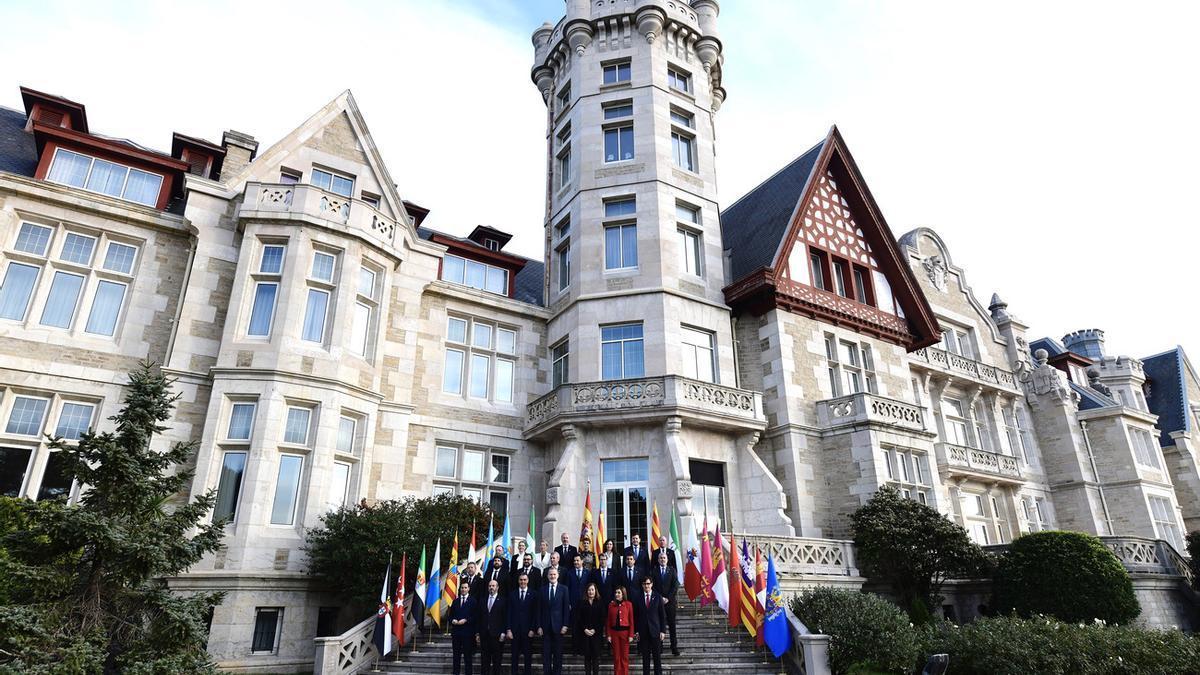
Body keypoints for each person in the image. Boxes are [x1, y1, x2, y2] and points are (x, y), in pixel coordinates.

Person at [538, 567, 571, 675]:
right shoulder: (542, 589)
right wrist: (539, 626)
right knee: (546, 655)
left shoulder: (564, 589)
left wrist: (565, 625)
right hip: (545, 627)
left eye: (554, 574)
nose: (552, 576)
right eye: (550, 575)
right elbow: (539, 609)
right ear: (547, 576)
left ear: (558, 576)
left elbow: (566, 608)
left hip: (559, 627)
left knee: (558, 655)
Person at [632, 576, 667, 675]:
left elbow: (662, 615)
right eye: (644, 584)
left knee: (657, 659)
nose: (646, 586)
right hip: (643, 633)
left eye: (648, 583)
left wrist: (663, 631)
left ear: (651, 584)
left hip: (655, 632)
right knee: (645, 660)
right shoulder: (638, 598)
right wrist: (636, 631)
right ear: (642, 585)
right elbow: (636, 616)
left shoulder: (658, 597)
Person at [650, 550, 680, 656]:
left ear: (667, 560)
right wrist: (660, 598)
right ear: (658, 560)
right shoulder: (654, 571)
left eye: (664, 558)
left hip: (670, 603)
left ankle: (674, 648)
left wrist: (668, 598)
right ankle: (660, 647)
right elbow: (652, 586)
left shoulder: (672, 570)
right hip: (658, 603)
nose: (662, 560)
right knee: (659, 626)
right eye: (660, 558)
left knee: (672, 626)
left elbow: (675, 585)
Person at [507, 572, 537, 675]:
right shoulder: (512, 594)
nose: (522, 582)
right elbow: (509, 613)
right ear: (518, 581)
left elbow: (535, 613)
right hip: (514, 631)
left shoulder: (533, 594)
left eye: (524, 580)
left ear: (528, 581)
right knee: (514, 656)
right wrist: (509, 629)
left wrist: (533, 629)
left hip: (528, 631)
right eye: (521, 580)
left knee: (527, 657)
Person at [574, 582, 606, 675]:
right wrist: (585, 629)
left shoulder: (600, 602)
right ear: (586, 591)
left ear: (595, 591)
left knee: (595, 658)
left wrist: (595, 629)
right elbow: (578, 618)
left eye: (592, 590)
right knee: (587, 658)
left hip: (596, 635)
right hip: (585, 634)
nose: (591, 592)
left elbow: (602, 618)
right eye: (589, 590)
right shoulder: (581, 602)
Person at [480, 579, 508, 675]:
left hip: (497, 636)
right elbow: (479, 617)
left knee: (497, 661)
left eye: (493, 586)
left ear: (497, 587)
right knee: (484, 661)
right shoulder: (483, 600)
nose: (491, 587)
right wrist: (477, 633)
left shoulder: (503, 600)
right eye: (490, 586)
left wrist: (504, 632)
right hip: (485, 635)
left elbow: (505, 618)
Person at [451, 583, 478, 675]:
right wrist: (453, 620)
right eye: (462, 588)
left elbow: (475, 616)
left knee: (467, 657)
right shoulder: (455, 601)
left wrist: (466, 620)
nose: (463, 589)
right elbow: (450, 616)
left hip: (468, 633)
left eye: (465, 588)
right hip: (456, 633)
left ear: (469, 589)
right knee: (456, 657)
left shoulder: (473, 601)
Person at [606, 586, 633, 675]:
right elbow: (608, 621)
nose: (616, 594)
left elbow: (631, 620)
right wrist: (608, 635)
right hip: (614, 634)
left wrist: (631, 635)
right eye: (616, 593)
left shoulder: (628, 604)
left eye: (619, 593)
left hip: (625, 634)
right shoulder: (611, 605)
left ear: (623, 594)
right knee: (617, 657)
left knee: (624, 657)